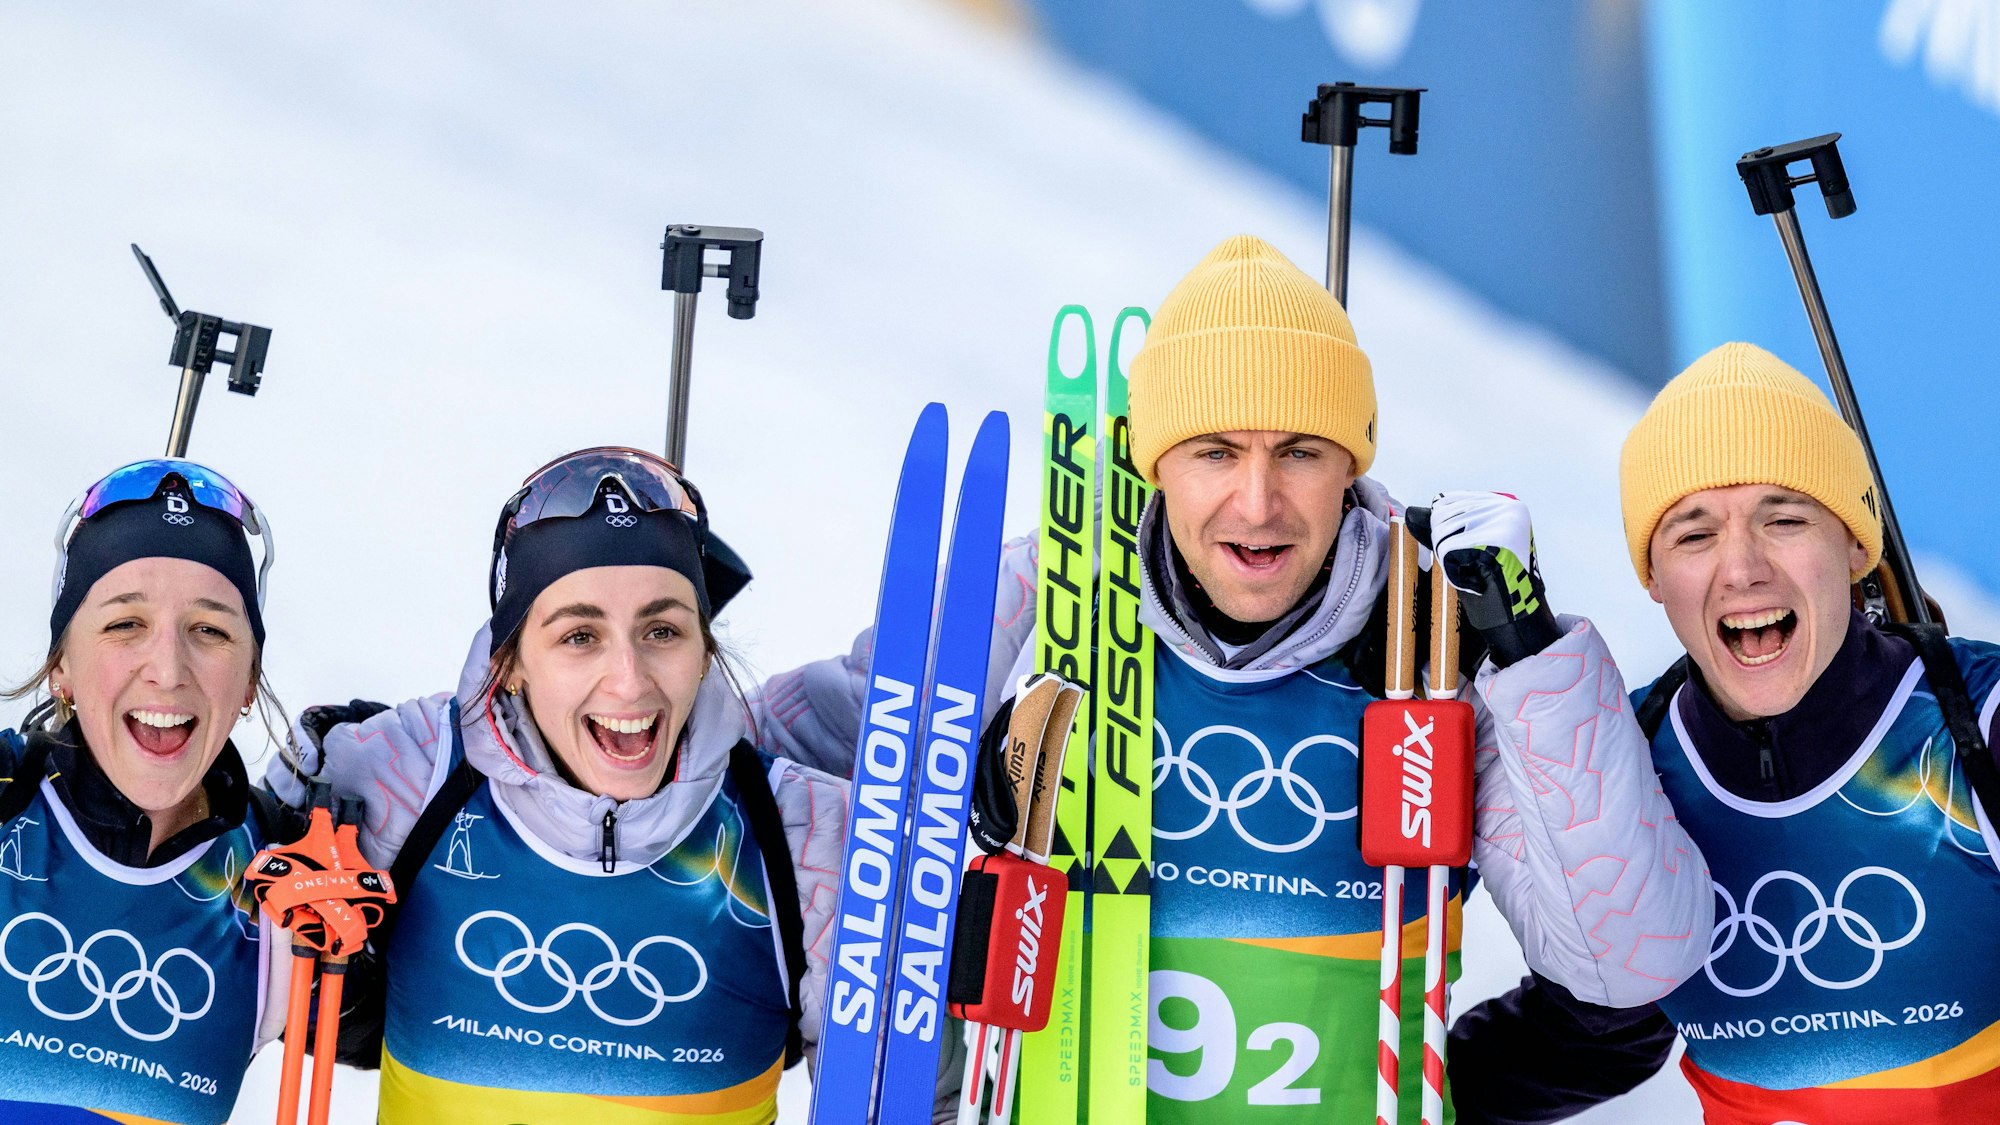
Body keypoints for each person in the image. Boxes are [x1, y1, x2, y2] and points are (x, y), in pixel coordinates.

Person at [751, 234, 1715, 1121]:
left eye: (1299, 451)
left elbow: (1628, 964)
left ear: (1352, 462)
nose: (1258, 502)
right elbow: (767, 760)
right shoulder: (1047, 598)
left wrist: (1532, 653)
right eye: (1215, 452)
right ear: (1156, 461)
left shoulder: (1431, 641)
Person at [1492, 341, 2000, 1124]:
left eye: (1785, 518)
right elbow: (1596, 1029)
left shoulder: (1971, 724)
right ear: (1653, 577)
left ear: (1857, 545)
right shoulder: (1631, 765)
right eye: (1694, 535)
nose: (1742, 568)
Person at [267, 447, 849, 1124]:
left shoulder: (803, 835)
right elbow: (191, 879)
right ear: (510, 659)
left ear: (704, 650)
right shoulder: (410, 775)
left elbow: (919, 1096)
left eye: (662, 629)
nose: (629, 680)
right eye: (580, 635)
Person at [0, 459, 293, 1124]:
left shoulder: (278, 886)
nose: (167, 668)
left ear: (249, 680)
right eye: (124, 623)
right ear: (62, 667)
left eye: (211, 629)